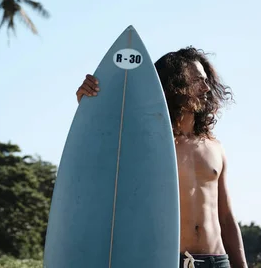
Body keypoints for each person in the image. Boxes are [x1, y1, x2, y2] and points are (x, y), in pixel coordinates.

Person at [76, 47, 248, 268]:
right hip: (168, 260)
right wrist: (87, 103)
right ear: (174, 86)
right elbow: (106, 138)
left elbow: (226, 217)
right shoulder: (148, 142)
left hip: (217, 260)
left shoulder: (214, 146)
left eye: (206, 80)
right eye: (197, 81)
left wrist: (241, 264)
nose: (206, 88)